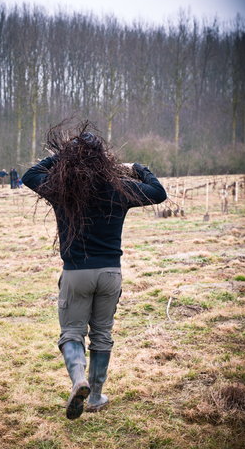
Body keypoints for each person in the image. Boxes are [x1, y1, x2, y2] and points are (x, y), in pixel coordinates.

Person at [22, 119, 167, 420]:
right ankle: (97, 396)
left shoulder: (62, 189)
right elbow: (157, 192)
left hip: (76, 273)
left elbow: (29, 175)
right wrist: (138, 167)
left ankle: (79, 380)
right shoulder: (121, 189)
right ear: (105, 160)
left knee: (72, 333)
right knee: (102, 335)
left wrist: (62, 157)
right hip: (110, 274)